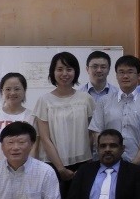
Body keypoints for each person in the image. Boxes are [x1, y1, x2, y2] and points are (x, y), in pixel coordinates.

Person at [33, 51, 95, 191]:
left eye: (69, 69)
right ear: (53, 72)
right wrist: (60, 168)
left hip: (82, 162)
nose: (64, 73)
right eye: (60, 69)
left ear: (75, 72)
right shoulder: (44, 100)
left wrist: (88, 162)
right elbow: (44, 138)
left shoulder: (86, 99)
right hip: (52, 163)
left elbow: (92, 133)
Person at [88, 55, 140, 173]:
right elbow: (96, 131)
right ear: (116, 75)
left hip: (139, 167)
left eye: (130, 72)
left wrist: (136, 163)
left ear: (139, 76)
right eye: (121, 72)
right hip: (108, 167)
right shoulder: (104, 101)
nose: (125, 76)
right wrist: (107, 155)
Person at [0, 72, 33, 166]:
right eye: (8, 89)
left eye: (17, 89)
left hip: (26, 170)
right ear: (2, 91)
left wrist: (26, 170)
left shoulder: (32, 116)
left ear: (24, 90)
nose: (12, 93)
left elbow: (34, 148)